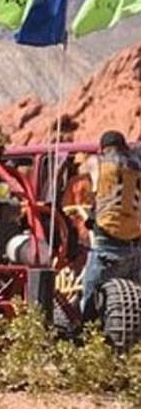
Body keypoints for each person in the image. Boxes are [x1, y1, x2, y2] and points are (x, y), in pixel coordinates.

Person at [83, 130, 141, 317]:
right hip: (134, 237)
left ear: (103, 148)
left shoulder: (97, 163)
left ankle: (86, 324)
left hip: (106, 235)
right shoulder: (137, 166)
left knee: (91, 287)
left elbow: (91, 183)